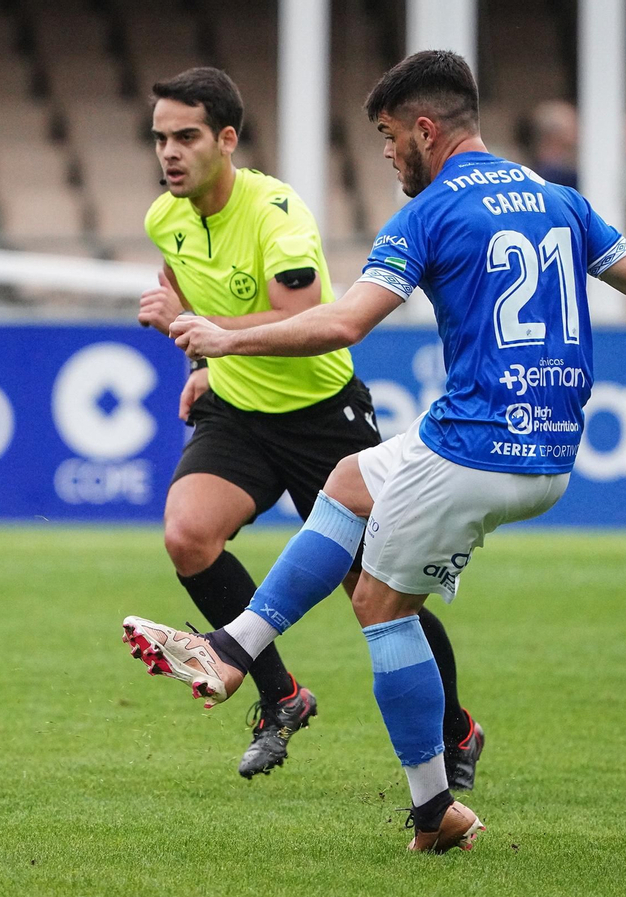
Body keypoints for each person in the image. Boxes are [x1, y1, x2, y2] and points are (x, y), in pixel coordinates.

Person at [123, 50, 626, 852]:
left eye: (390, 137)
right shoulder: (558, 198)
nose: (388, 154)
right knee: (351, 480)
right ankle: (245, 658)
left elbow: (341, 324)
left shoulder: (428, 213)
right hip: (550, 454)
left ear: (425, 130)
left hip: (474, 447)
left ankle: (413, 793)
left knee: (379, 606)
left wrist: (226, 340)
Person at [135, 66, 486, 783]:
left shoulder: (276, 213)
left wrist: (208, 335)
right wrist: (197, 367)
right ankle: (280, 696)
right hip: (236, 409)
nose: (170, 152)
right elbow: (186, 305)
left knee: (378, 594)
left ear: (227, 139)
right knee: (187, 535)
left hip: (323, 418)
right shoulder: (162, 219)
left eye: (187, 136)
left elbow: (303, 322)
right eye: (160, 138)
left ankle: (458, 729)